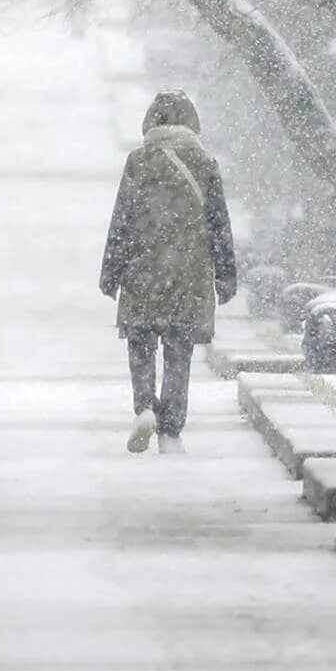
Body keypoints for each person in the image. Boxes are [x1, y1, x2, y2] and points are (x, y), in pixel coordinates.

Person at [99, 91, 237, 454]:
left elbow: (122, 221)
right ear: (192, 124)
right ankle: (171, 429)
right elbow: (219, 224)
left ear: (151, 123)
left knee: (141, 346)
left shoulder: (138, 162)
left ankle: (145, 407)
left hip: (142, 271)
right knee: (179, 352)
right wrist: (226, 275)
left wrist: (111, 272)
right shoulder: (205, 164)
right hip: (188, 276)